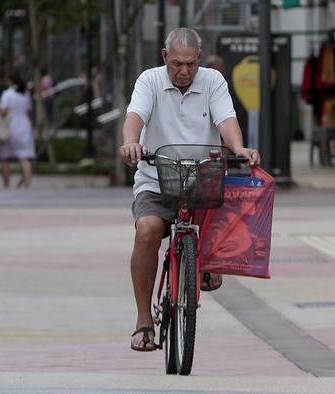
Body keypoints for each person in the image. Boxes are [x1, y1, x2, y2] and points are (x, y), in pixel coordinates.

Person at [119, 28, 260, 352]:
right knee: (147, 231)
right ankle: (144, 320)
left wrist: (239, 148)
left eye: (191, 64)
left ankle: (207, 261)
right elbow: (135, 116)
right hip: (157, 178)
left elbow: (226, 121)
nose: (184, 71)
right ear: (165, 57)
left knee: (221, 219)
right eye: (178, 64)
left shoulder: (213, 81)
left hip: (203, 179)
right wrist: (130, 143)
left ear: (200, 59)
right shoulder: (150, 81)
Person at [0, 73, 34, 188]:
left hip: (9, 126)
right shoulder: (25, 94)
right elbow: (28, 110)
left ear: (10, 81)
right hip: (24, 126)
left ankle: (6, 185)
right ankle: (27, 184)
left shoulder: (7, 94)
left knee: (5, 157)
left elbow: (3, 110)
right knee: (25, 157)